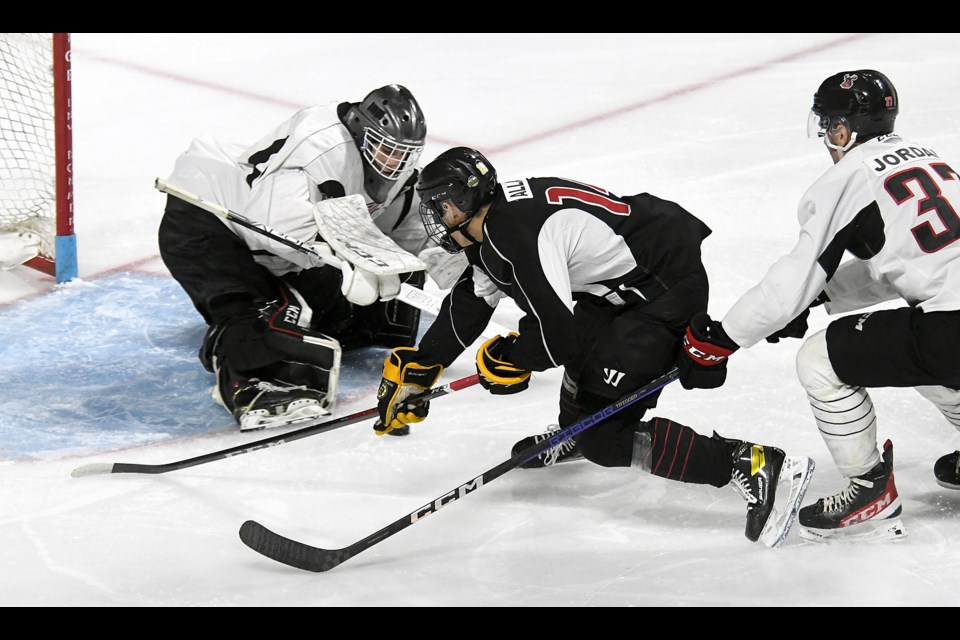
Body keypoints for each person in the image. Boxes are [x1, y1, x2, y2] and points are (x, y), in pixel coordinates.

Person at [372, 146, 814, 547]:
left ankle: (749, 462)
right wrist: (422, 366)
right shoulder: (490, 227)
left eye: (441, 206)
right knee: (584, 374)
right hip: (620, 284)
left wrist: (515, 358)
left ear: (466, 201)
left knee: (605, 437)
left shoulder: (513, 233)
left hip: (661, 287)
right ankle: (576, 430)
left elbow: (556, 336)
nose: (435, 217)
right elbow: (473, 298)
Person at [677, 69, 960, 542]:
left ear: (844, 129)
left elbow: (794, 277)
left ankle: (869, 489)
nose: (827, 136)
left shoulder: (848, 176)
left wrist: (726, 336)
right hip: (949, 322)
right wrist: (824, 295)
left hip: (952, 329)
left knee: (820, 359)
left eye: (829, 124)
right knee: (912, 343)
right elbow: (912, 266)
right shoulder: (930, 159)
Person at [158, 83, 464, 433]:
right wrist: (347, 258)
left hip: (274, 247)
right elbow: (270, 227)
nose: (394, 162)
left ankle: (287, 326)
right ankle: (248, 380)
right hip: (209, 217)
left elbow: (411, 234)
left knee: (359, 311)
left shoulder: (396, 169)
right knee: (247, 308)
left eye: (402, 153)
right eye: (386, 149)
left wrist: (468, 271)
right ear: (363, 131)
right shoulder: (319, 146)